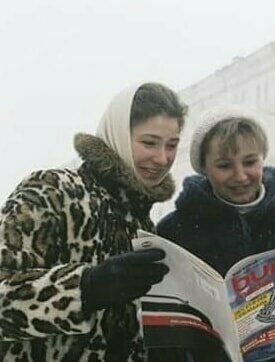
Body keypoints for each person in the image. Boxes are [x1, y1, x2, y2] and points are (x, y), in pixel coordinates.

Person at [0, 82, 187, 360]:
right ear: (118, 136)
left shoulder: (144, 225)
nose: (162, 158)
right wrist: (88, 287)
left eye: (171, 145)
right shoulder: (52, 190)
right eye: (149, 142)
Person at [156, 107, 275, 360]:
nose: (240, 176)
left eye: (250, 162)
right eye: (224, 165)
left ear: (263, 158)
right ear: (204, 167)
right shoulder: (175, 230)